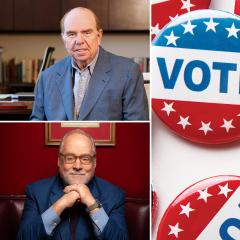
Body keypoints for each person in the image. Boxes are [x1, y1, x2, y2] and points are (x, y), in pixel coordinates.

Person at [30, 7, 149, 120]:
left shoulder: (128, 72)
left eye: (87, 33)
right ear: (63, 39)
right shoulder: (46, 77)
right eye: (71, 34)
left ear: (99, 36)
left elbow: (137, 128)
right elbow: (36, 127)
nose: (79, 41)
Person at [17, 129, 128, 239]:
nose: (78, 166)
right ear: (59, 161)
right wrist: (61, 204)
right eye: (70, 158)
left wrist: (92, 204)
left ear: (94, 163)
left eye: (85, 159)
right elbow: (23, 237)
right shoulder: (35, 192)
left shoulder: (115, 195)